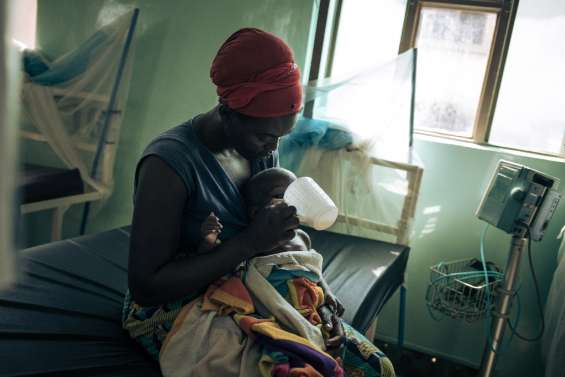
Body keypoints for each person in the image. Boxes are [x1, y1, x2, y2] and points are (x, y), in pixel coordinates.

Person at [122, 28, 308, 359]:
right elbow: (147, 287)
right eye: (266, 136)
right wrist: (251, 241)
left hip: (239, 286)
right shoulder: (168, 166)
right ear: (226, 113)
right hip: (172, 309)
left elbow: (262, 234)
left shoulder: (258, 148)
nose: (273, 147)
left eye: (283, 135)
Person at [197, 167, 346, 354]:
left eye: (296, 192)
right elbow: (219, 267)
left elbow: (313, 269)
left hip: (309, 303)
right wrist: (208, 241)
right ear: (256, 212)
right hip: (274, 308)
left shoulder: (302, 237)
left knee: (333, 334)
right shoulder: (254, 240)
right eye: (280, 195)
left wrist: (327, 291)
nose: (294, 201)